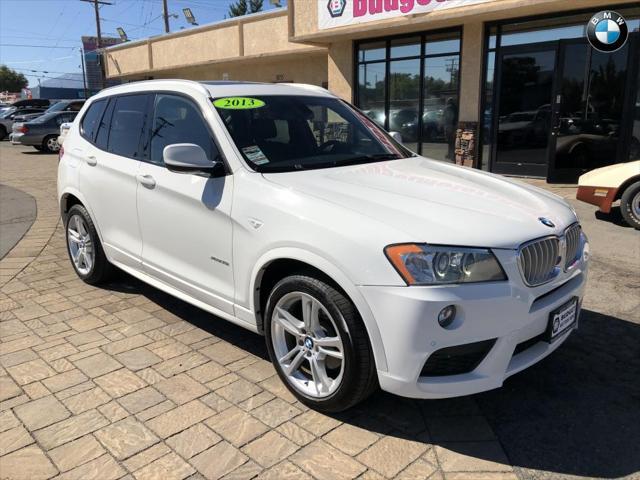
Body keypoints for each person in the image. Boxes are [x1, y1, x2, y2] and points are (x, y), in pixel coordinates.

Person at [443, 97, 458, 162]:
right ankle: (451, 154)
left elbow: (446, 117)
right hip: (453, 126)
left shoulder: (447, 108)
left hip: (449, 126)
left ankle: (451, 155)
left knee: (450, 141)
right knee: (452, 141)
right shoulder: (455, 108)